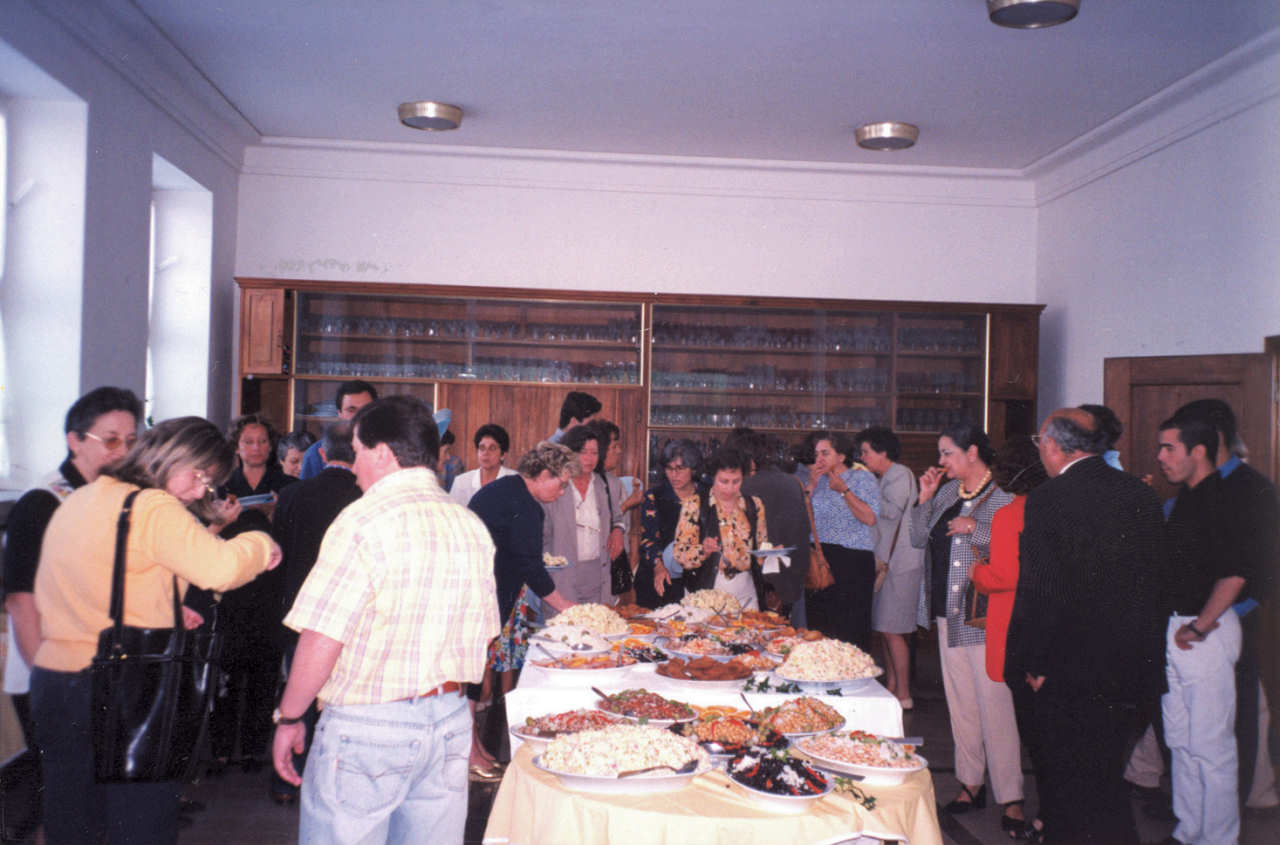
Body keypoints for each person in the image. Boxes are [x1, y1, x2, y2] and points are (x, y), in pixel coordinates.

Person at [30, 416, 281, 845]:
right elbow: (220, 570)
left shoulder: (82, 497)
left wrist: (166, 604)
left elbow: (93, 580)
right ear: (171, 456)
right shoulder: (153, 506)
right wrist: (260, 543)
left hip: (56, 679)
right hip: (124, 684)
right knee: (141, 820)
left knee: (72, 817)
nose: (201, 491)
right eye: (200, 476)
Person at [272, 396, 499, 845]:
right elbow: (486, 634)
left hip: (369, 727)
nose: (353, 465)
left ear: (382, 453)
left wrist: (290, 716)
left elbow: (322, 635)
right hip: (449, 722)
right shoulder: (469, 525)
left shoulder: (361, 520)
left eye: (357, 451)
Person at [1006, 408, 1168, 844]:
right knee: (1105, 780)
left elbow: (1043, 590)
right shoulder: (1139, 493)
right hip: (1129, 667)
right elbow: (1155, 583)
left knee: (1069, 783)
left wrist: (1036, 663)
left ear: (1054, 445)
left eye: (1040, 441)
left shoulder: (1049, 498)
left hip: (1068, 670)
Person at [3, 386, 142, 840]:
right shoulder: (43, 503)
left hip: (100, 666)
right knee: (66, 797)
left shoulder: (114, 498)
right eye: (110, 439)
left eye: (130, 439)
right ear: (74, 440)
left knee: (94, 797)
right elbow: (20, 599)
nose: (122, 450)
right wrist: (46, 674)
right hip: (52, 670)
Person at [909, 423, 1022, 830]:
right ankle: (970, 784)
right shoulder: (945, 494)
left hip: (983, 618)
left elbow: (1018, 548)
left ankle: (1011, 798)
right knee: (961, 705)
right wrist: (923, 499)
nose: (940, 461)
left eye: (947, 453)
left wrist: (977, 529)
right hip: (946, 612)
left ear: (972, 452)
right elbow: (917, 539)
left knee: (996, 707)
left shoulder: (1004, 498)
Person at [1156, 411, 1251, 845]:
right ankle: (1189, 829)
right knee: (1181, 741)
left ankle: (1219, 838)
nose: (1161, 457)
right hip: (1177, 629)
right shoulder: (1186, 498)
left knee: (1212, 747)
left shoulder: (1224, 500)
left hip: (1204, 633)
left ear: (1198, 451)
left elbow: (1235, 574)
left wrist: (1199, 627)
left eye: (1168, 448)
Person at [266, 420, 362, 806]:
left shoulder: (292, 495)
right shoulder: (365, 497)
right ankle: (336, 786)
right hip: (351, 618)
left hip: (301, 614)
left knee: (299, 694)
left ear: (320, 454)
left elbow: (279, 559)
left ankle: (287, 782)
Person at [969, 435, 1050, 841]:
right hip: (1051, 627)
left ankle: (1030, 808)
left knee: (1019, 724)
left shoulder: (1009, 514)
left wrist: (977, 572)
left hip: (1014, 627)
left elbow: (1002, 576)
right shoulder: (1054, 509)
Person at [208, 413, 296, 773]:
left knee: (264, 673)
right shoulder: (222, 486)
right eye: (248, 442)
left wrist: (276, 514)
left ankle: (253, 750)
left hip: (271, 589)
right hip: (232, 589)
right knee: (227, 672)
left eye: (262, 441)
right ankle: (220, 749)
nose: (256, 448)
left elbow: (296, 539)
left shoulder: (287, 485)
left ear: (271, 446)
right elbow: (208, 536)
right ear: (237, 446)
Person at [856, 426, 925, 710]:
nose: (863, 458)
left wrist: (861, 489)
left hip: (901, 565)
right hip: (888, 563)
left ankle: (904, 693)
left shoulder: (900, 474)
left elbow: (890, 512)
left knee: (893, 629)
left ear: (883, 452)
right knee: (885, 628)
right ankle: (893, 687)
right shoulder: (885, 477)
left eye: (866, 452)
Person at [803, 430, 879, 650]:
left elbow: (869, 517)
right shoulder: (817, 481)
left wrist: (844, 491)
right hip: (820, 561)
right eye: (816, 454)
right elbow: (803, 521)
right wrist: (811, 487)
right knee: (820, 629)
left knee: (850, 629)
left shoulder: (862, 478)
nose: (819, 459)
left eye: (825, 453)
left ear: (842, 456)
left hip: (852, 560)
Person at [673, 448, 769, 611]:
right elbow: (679, 553)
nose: (730, 488)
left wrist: (771, 553)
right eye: (723, 481)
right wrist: (703, 550)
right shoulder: (694, 505)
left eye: (736, 481)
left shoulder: (754, 505)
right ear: (713, 477)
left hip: (746, 590)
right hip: (707, 593)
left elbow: (760, 551)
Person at [732, 430, 811, 622]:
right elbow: (801, 529)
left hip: (757, 578)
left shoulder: (744, 486)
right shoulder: (792, 482)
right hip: (790, 572)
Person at [540, 425, 617, 606]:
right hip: (561, 576)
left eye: (594, 453)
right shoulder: (555, 485)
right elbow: (541, 534)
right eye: (583, 452)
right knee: (565, 623)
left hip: (597, 573)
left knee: (596, 620)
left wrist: (618, 529)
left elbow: (617, 517)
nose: (589, 459)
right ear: (570, 454)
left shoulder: (606, 485)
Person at [646, 439, 705, 607]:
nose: (674, 475)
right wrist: (658, 566)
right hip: (662, 575)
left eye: (680, 469)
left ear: (693, 469)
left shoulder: (706, 496)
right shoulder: (655, 496)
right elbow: (648, 539)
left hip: (698, 575)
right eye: (669, 469)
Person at [586, 418, 638, 598]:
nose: (619, 451)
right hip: (590, 569)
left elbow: (623, 529)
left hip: (612, 568)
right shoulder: (581, 483)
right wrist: (627, 505)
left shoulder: (615, 483)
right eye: (614, 446)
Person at [298, 380, 378, 479]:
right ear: (339, 414)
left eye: (365, 409)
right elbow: (307, 487)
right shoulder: (316, 453)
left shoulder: (387, 449)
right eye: (351, 410)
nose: (358, 416)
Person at [449, 423, 517, 506]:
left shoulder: (515, 482)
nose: (486, 453)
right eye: (482, 448)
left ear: (503, 455)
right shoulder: (461, 482)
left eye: (492, 448)